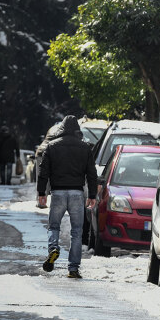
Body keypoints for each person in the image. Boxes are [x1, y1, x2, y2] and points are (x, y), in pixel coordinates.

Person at [37, 115, 97, 278]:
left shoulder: (52, 146)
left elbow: (43, 172)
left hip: (57, 192)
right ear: (77, 129)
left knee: (54, 226)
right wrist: (92, 194)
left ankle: (53, 249)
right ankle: (73, 268)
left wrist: (41, 193)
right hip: (77, 193)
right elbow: (92, 174)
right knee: (77, 231)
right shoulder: (85, 148)